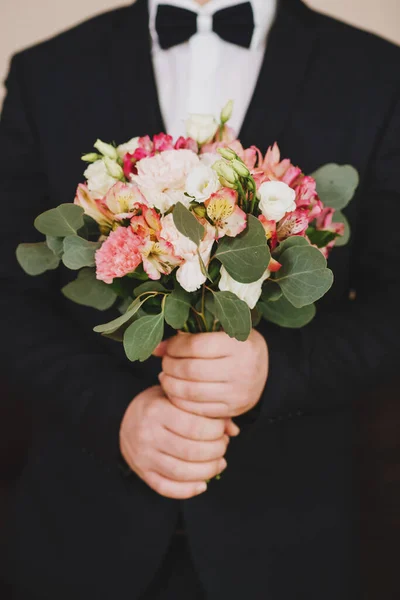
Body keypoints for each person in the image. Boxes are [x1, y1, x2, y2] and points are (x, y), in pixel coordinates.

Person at [0, 0, 399, 598]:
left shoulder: (376, 72)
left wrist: (279, 370)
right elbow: (10, 296)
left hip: (294, 546)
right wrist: (117, 414)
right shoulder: (48, 71)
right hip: (81, 540)